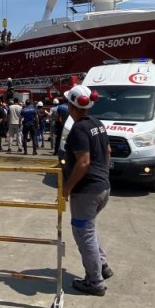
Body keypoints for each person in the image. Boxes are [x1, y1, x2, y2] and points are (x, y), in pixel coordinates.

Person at [61, 85, 112, 296]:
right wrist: (104, 176)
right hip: (103, 188)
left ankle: (95, 282)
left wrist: (67, 188)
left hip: (86, 192)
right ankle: (102, 266)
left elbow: (83, 162)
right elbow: (108, 151)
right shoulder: (97, 123)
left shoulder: (79, 129)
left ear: (71, 106)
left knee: (83, 233)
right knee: (89, 229)